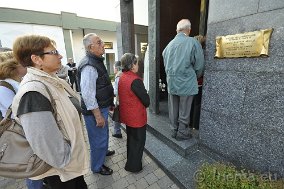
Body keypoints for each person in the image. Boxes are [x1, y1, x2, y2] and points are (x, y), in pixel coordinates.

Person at [12, 34, 89, 189]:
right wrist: (67, 159)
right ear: (37, 59)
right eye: (54, 52)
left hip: (70, 169)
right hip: (61, 174)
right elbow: (45, 143)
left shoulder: (51, 81)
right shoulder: (33, 92)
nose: (60, 56)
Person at [77, 33, 115, 176]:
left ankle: (103, 152)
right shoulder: (89, 65)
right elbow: (87, 94)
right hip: (95, 110)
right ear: (90, 47)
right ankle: (97, 167)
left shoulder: (96, 60)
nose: (103, 44)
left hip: (102, 106)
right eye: (99, 42)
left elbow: (101, 85)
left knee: (103, 135)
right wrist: (98, 116)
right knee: (97, 139)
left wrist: (109, 103)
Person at [162, 19, 204, 141]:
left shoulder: (168, 45)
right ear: (189, 30)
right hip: (186, 82)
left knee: (173, 107)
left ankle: (174, 130)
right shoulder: (192, 42)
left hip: (171, 82)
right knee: (184, 109)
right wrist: (194, 77)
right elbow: (200, 65)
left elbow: (165, 65)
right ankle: (182, 132)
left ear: (177, 30)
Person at [118, 53, 150, 173]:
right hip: (137, 117)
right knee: (138, 142)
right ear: (132, 65)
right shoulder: (135, 80)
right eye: (136, 62)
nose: (138, 64)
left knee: (131, 140)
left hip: (128, 116)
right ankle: (134, 166)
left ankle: (130, 162)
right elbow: (146, 101)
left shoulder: (122, 76)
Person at [112, 60, 123, 138]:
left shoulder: (118, 76)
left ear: (116, 68)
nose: (113, 69)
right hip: (124, 99)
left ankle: (117, 132)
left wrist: (117, 101)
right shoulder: (123, 73)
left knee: (116, 116)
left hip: (120, 99)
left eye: (114, 68)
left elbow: (117, 91)